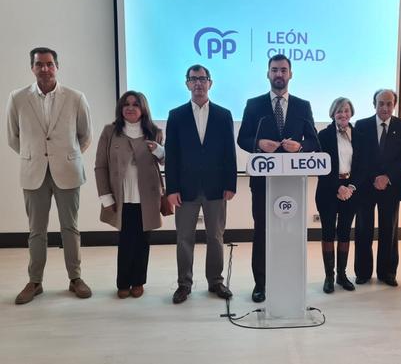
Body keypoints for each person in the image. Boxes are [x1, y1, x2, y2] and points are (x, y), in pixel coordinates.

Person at [6, 47, 93, 304]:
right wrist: (36, 156)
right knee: (36, 231)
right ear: (32, 68)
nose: (44, 69)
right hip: (34, 172)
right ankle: (35, 281)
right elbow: (13, 137)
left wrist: (63, 155)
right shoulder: (18, 98)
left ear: (57, 66)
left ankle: (75, 278)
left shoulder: (76, 97)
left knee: (70, 228)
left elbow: (84, 136)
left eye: (49, 64)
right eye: (39, 64)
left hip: (67, 171)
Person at [237, 54, 320, 302]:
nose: (279, 74)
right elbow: (242, 139)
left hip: (293, 183)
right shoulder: (254, 105)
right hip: (262, 183)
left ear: (291, 74)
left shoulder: (303, 106)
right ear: (268, 74)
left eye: (283, 70)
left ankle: (288, 279)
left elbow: (314, 141)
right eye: (274, 70)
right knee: (262, 232)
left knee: (290, 232)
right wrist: (259, 143)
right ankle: (260, 284)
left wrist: (301, 147)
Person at [165, 64, 237, 303]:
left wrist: (231, 183)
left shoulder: (223, 115)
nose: (198, 83)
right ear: (187, 83)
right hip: (185, 189)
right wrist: (171, 189)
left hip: (217, 187)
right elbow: (172, 155)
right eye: (193, 79)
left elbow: (230, 153)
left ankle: (215, 282)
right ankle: (184, 284)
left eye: (202, 79)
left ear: (210, 83)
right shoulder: (176, 115)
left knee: (215, 236)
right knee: (184, 237)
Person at [94, 91, 165, 299]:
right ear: (121, 108)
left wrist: (159, 150)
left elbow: (165, 160)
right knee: (125, 241)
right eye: (126, 104)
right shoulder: (110, 131)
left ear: (143, 108)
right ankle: (123, 282)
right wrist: (105, 196)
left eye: (135, 104)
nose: (130, 108)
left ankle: (138, 282)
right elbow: (100, 166)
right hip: (122, 197)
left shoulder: (154, 131)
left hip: (147, 197)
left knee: (143, 241)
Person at [354, 89, 401, 286]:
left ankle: (388, 273)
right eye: (381, 103)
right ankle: (363, 272)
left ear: (394, 104)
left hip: (391, 185)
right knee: (363, 230)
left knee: (389, 230)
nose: (385, 107)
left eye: (389, 103)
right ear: (374, 104)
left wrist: (387, 177)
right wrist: (374, 177)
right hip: (365, 186)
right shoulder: (361, 125)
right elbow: (359, 157)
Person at [315, 97, 366, 293]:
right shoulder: (324, 135)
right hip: (329, 188)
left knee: (345, 231)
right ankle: (329, 276)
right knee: (328, 232)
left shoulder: (359, 135)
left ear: (351, 112)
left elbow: (363, 166)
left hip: (352, 189)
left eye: (346, 110)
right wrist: (338, 187)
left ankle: (342, 275)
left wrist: (350, 187)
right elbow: (321, 166)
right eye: (339, 111)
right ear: (332, 114)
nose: (343, 114)